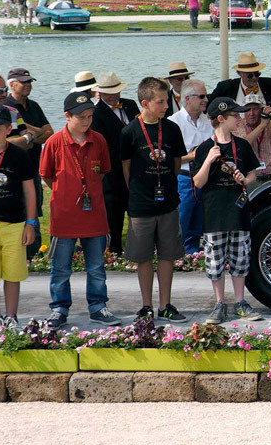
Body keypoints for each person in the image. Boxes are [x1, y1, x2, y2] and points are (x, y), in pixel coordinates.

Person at [40, 92, 119, 327]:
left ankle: (98, 306)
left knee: (95, 266)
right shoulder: (55, 142)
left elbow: (103, 170)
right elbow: (47, 175)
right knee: (60, 267)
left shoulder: (99, 140)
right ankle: (59, 308)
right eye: (82, 117)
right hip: (64, 217)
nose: (87, 121)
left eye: (90, 116)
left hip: (93, 215)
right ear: (67, 116)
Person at [120, 77, 188, 324]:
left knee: (168, 255)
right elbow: (126, 169)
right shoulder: (129, 132)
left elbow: (176, 163)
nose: (166, 107)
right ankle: (146, 305)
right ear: (145, 103)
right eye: (160, 102)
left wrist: (165, 182)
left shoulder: (171, 129)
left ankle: (165, 305)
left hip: (168, 202)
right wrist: (140, 192)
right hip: (141, 205)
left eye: (167, 101)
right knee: (144, 256)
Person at [191, 97, 263, 324]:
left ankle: (241, 301)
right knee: (215, 260)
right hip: (214, 213)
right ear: (221, 119)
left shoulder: (241, 145)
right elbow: (198, 182)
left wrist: (246, 178)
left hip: (238, 210)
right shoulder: (204, 148)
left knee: (240, 259)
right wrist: (208, 161)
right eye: (235, 115)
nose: (240, 118)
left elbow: (253, 173)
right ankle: (219, 303)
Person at [0, 105, 37, 331]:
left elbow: (30, 190)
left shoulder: (18, 155)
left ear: (9, 129)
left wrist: (30, 223)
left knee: (12, 274)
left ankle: (11, 316)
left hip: (14, 224)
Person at [90, 72, 140, 255]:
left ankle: (138, 252)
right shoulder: (96, 114)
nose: (114, 96)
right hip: (112, 177)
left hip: (135, 172)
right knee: (114, 219)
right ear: (100, 94)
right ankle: (114, 252)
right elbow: (104, 147)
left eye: (116, 91)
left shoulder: (130, 105)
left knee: (138, 217)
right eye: (109, 93)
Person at [6, 67, 51, 260]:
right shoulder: (5, 107)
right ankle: (16, 256)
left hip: (33, 169)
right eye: (24, 82)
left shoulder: (34, 106)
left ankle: (35, 258)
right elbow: (9, 143)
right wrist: (35, 134)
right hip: (10, 172)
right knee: (13, 213)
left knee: (34, 213)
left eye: (30, 81)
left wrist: (28, 134)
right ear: (11, 84)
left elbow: (49, 134)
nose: (28, 85)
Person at [168, 78, 213, 255]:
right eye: (201, 96)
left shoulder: (208, 122)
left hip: (205, 178)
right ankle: (174, 255)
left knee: (197, 221)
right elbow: (169, 158)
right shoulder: (173, 122)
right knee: (182, 219)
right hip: (184, 178)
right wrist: (194, 155)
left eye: (206, 96)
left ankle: (192, 254)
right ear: (187, 98)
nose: (206, 100)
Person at [210, 52, 271, 125]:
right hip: (236, 134)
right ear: (239, 73)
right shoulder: (226, 87)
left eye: (257, 74)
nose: (254, 78)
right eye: (250, 75)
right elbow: (210, 106)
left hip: (267, 132)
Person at [233, 92, 271, 183]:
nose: (252, 113)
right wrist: (262, 125)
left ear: (261, 110)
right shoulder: (238, 126)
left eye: (255, 109)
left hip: (268, 178)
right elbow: (243, 145)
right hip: (248, 179)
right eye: (248, 109)